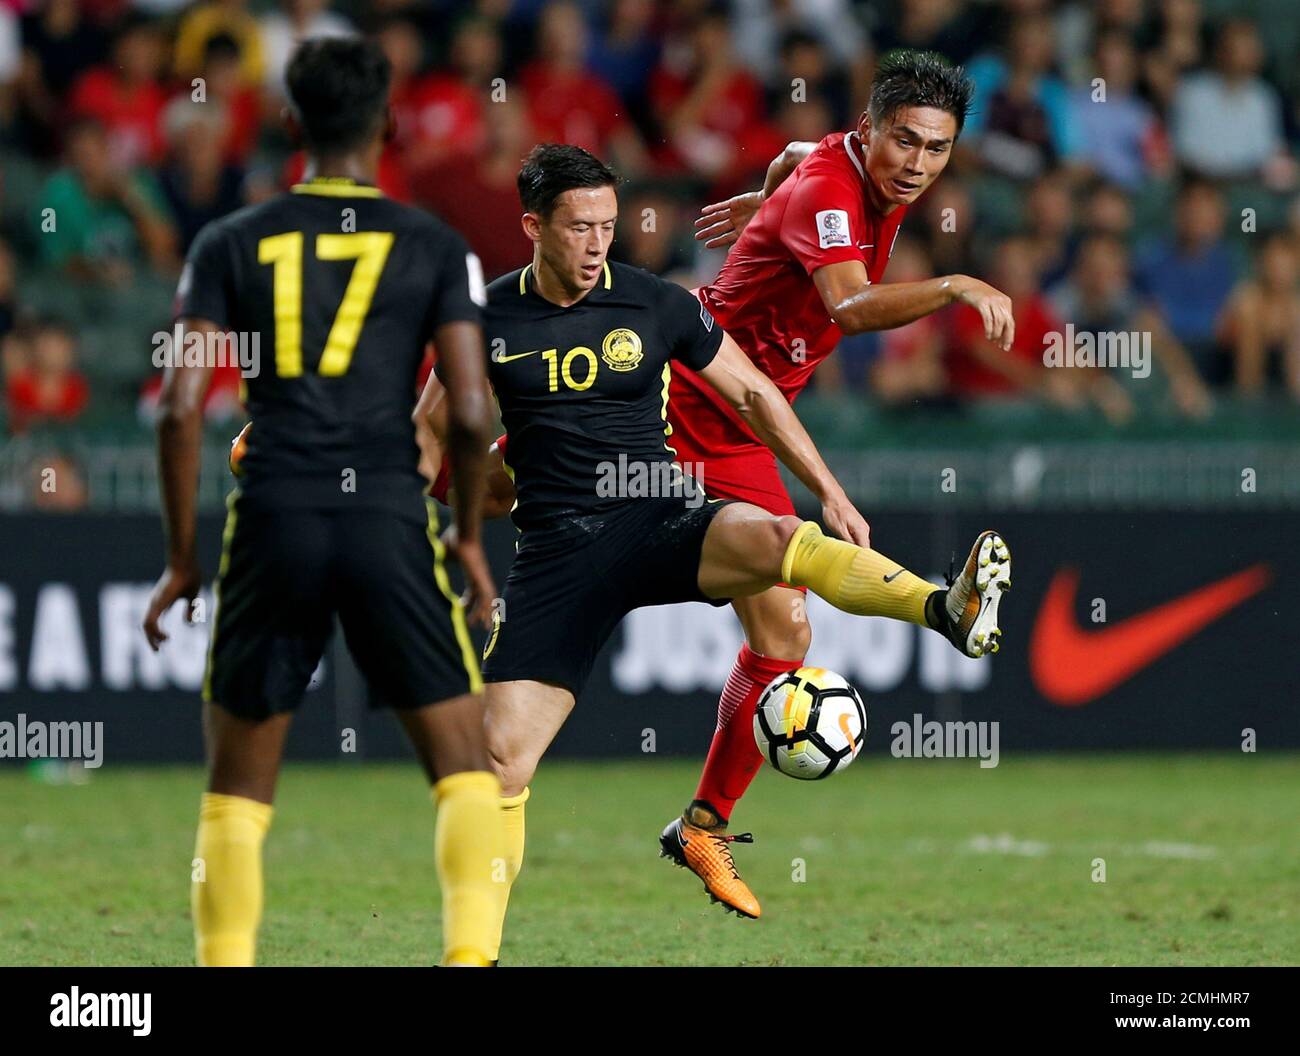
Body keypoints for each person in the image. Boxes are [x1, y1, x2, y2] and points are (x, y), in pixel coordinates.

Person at [416, 143, 1011, 958]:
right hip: (558, 552)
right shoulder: (483, 320)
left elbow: (755, 394)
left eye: (607, 226)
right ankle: (470, 955)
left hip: (659, 519)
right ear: (533, 227)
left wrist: (829, 488)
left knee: (779, 542)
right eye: (579, 227)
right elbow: (426, 442)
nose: (596, 244)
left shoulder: (656, 302)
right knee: (498, 765)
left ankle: (943, 607)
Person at [141, 37, 503, 968]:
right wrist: (466, 535)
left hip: (273, 514)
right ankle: (469, 959)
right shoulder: (436, 247)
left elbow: (178, 410)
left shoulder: (228, 241)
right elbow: (469, 412)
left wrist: (182, 560)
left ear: (289, 122)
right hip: (387, 514)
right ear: (388, 124)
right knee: (464, 768)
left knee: (237, 789)